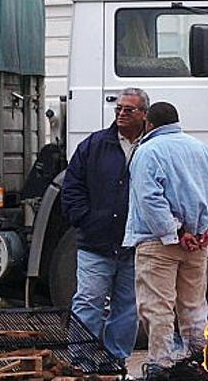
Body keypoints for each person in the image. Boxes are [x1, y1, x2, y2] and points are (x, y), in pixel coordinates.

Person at [124, 102, 208, 381]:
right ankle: (197, 360)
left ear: (149, 123)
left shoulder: (148, 151)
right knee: (194, 304)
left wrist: (174, 230)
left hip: (159, 244)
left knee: (157, 306)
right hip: (198, 242)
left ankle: (160, 366)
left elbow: (150, 198)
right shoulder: (205, 151)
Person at [62, 87, 149, 363]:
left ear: (144, 114)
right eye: (119, 109)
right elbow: (72, 187)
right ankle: (80, 361)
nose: (122, 113)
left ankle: (115, 361)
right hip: (96, 242)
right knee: (88, 301)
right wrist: (86, 220)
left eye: (129, 109)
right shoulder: (94, 146)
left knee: (127, 308)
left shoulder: (152, 147)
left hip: (134, 244)